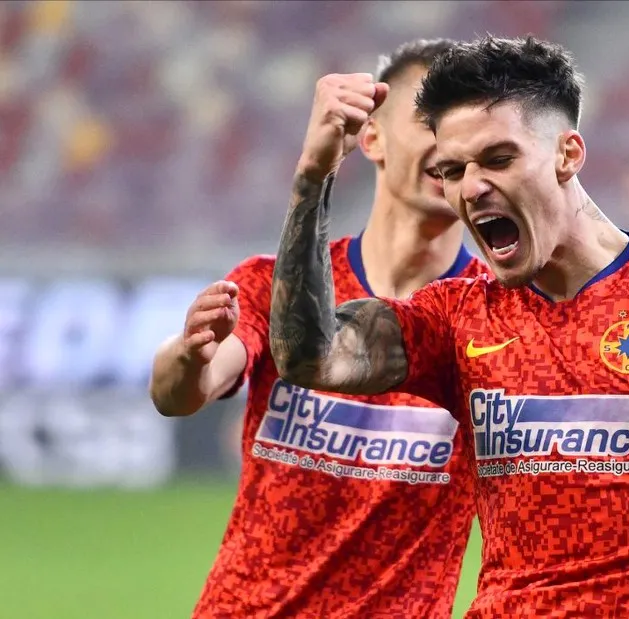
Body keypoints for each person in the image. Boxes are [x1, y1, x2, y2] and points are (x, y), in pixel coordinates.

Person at [267, 35, 629, 619]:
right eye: (452, 170)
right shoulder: (455, 316)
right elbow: (311, 356)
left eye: (498, 159)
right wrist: (312, 180)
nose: (471, 188)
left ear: (567, 155)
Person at [148, 39, 489, 619]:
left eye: (464, 131)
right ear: (372, 138)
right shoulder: (277, 283)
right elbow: (179, 394)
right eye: (429, 121)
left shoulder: (494, 314)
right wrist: (191, 354)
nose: (448, 145)